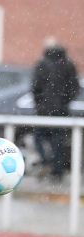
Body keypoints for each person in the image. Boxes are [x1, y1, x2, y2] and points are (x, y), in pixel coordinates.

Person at [32, 39, 80, 181]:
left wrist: (40, 103)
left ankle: (46, 161)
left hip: (44, 112)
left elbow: (35, 87)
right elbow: (75, 88)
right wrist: (64, 102)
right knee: (58, 141)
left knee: (39, 137)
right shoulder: (68, 65)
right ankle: (57, 172)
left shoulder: (42, 64)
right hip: (61, 111)